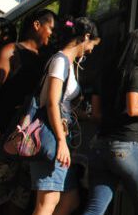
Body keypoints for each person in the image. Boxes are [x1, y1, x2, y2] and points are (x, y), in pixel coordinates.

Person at [0, 10, 55, 214]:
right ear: (37, 25)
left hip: (27, 141)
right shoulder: (11, 51)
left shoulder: (46, 59)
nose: (52, 34)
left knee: (18, 201)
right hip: (1, 134)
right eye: (50, 28)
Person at [83, 29, 138, 215]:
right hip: (126, 147)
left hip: (100, 145)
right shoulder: (135, 72)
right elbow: (133, 108)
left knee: (95, 207)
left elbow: (96, 114)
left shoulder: (106, 72)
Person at [31, 16, 99, 215]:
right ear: (86, 37)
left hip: (59, 136)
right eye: (93, 44)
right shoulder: (60, 61)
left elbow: (61, 103)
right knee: (47, 203)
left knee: (70, 199)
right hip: (52, 137)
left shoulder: (66, 62)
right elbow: (52, 102)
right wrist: (61, 140)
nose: (92, 50)